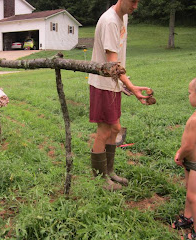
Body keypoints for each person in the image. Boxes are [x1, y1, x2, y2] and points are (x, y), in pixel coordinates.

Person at [88, 0, 151, 190]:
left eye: (138, 2)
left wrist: (126, 82)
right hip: (103, 85)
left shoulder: (123, 17)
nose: (136, 6)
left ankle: (109, 171)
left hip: (113, 83)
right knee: (105, 131)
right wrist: (132, 87)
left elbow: (118, 61)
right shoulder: (110, 22)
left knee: (115, 129)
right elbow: (112, 65)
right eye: (133, 1)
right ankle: (100, 178)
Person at [172, 78, 196, 240]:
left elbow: (188, 145)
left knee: (193, 196)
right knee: (189, 190)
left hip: (194, 163)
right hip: (191, 162)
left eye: (190, 93)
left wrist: (180, 154)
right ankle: (188, 217)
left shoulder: (194, 121)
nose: (188, 96)